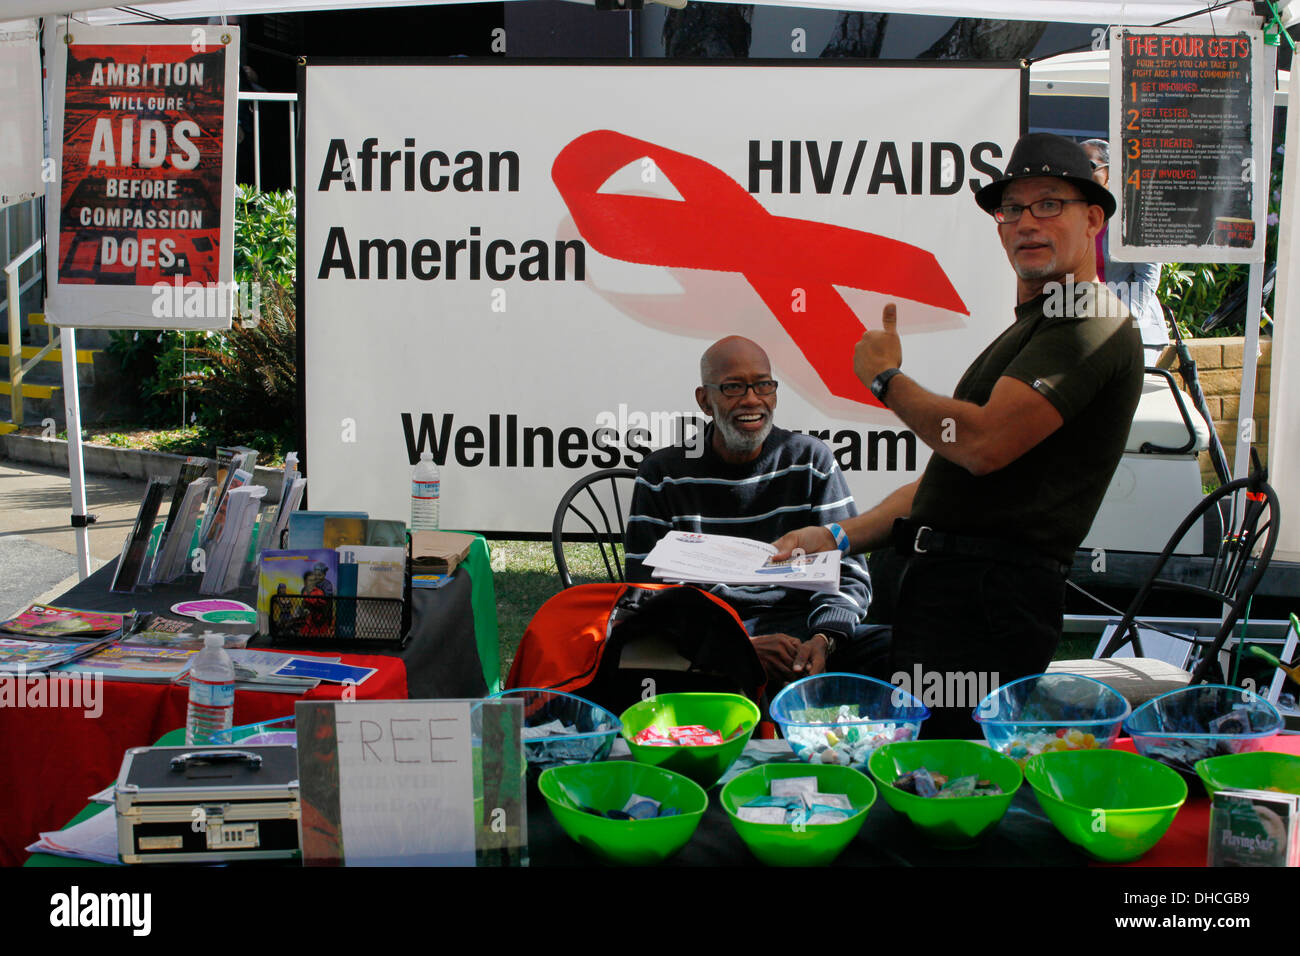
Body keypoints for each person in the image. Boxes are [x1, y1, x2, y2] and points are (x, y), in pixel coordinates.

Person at [773, 133, 1145, 738]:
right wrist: (836, 536)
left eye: (1049, 203)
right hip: (950, 598)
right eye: (1012, 209)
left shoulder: (1091, 318)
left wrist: (886, 379)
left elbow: (979, 445)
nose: (1026, 222)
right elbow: (942, 483)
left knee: (954, 780)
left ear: (1094, 219)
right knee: (923, 773)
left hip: (989, 604)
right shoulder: (1036, 326)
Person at [624, 335, 887, 688]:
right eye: (733, 387)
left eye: (763, 385)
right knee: (642, 664)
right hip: (709, 636)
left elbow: (849, 572)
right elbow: (645, 590)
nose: (752, 399)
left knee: (905, 652)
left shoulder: (810, 460)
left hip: (807, 628)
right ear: (705, 401)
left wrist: (825, 638)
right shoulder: (662, 474)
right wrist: (736, 647)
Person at [1081, 138, 1170, 364]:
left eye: (1088, 166)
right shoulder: (1077, 217)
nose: (1080, 173)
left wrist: (1120, 323)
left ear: (1110, 172)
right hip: (1087, 329)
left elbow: (1147, 278)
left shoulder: (1133, 218)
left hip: (1133, 332)